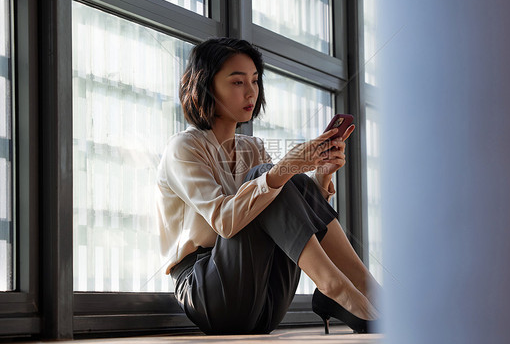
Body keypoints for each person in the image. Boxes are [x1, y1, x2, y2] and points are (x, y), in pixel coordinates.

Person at [156, 37, 381, 335]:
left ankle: (367, 289)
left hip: (264, 298)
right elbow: (224, 221)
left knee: (288, 179)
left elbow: (286, 209)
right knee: (272, 175)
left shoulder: (253, 147)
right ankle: (336, 287)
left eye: (255, 80)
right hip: (210, 292)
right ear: (207, 87)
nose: (251, 91)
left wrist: (322, 175)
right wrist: (282, 170)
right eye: (237, 83)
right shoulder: (184, 148)